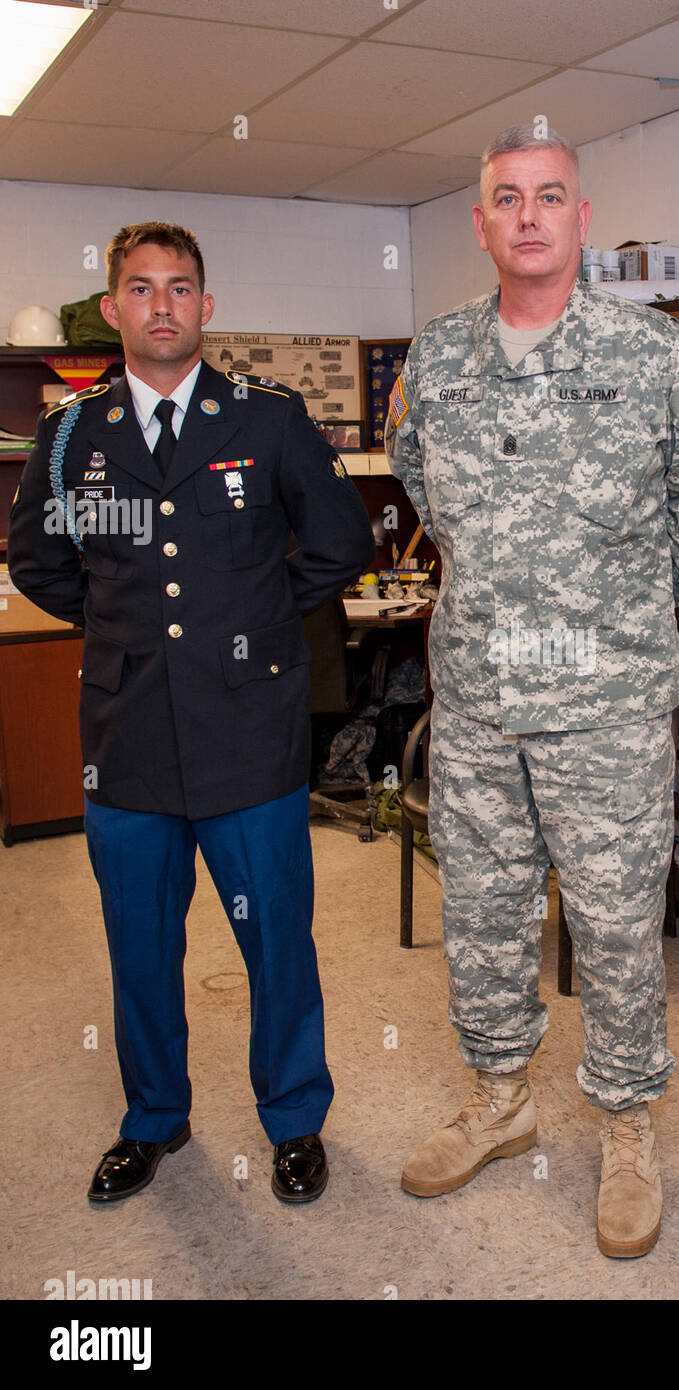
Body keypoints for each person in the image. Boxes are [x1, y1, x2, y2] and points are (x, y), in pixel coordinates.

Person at [385, 124, 679, 1258]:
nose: (530, 214)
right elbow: (421, 493)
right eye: (508, 197)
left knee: (615, 925)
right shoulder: (434, 361)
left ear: (581, 221)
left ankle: (627, 1127)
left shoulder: (657, 362)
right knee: (482, 917)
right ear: (482, 223)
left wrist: (634, 613)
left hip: (605, 708)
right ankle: (502, 1097)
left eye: (551, 196)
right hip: (482, 704)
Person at [8, 222, 373, 1204]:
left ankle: (293, 1117)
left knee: (276, 940)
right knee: (138, 944)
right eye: (141, 287)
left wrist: (246, 616)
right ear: (116, 308)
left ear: (206, 308)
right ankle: (153, 1118)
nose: (161, 304)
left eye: (180, 287)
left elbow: (340, 546)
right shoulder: (73, 432)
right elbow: (39, 561)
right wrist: (125, 628)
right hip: (126, 738)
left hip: (249, 734)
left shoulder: (268, 419)